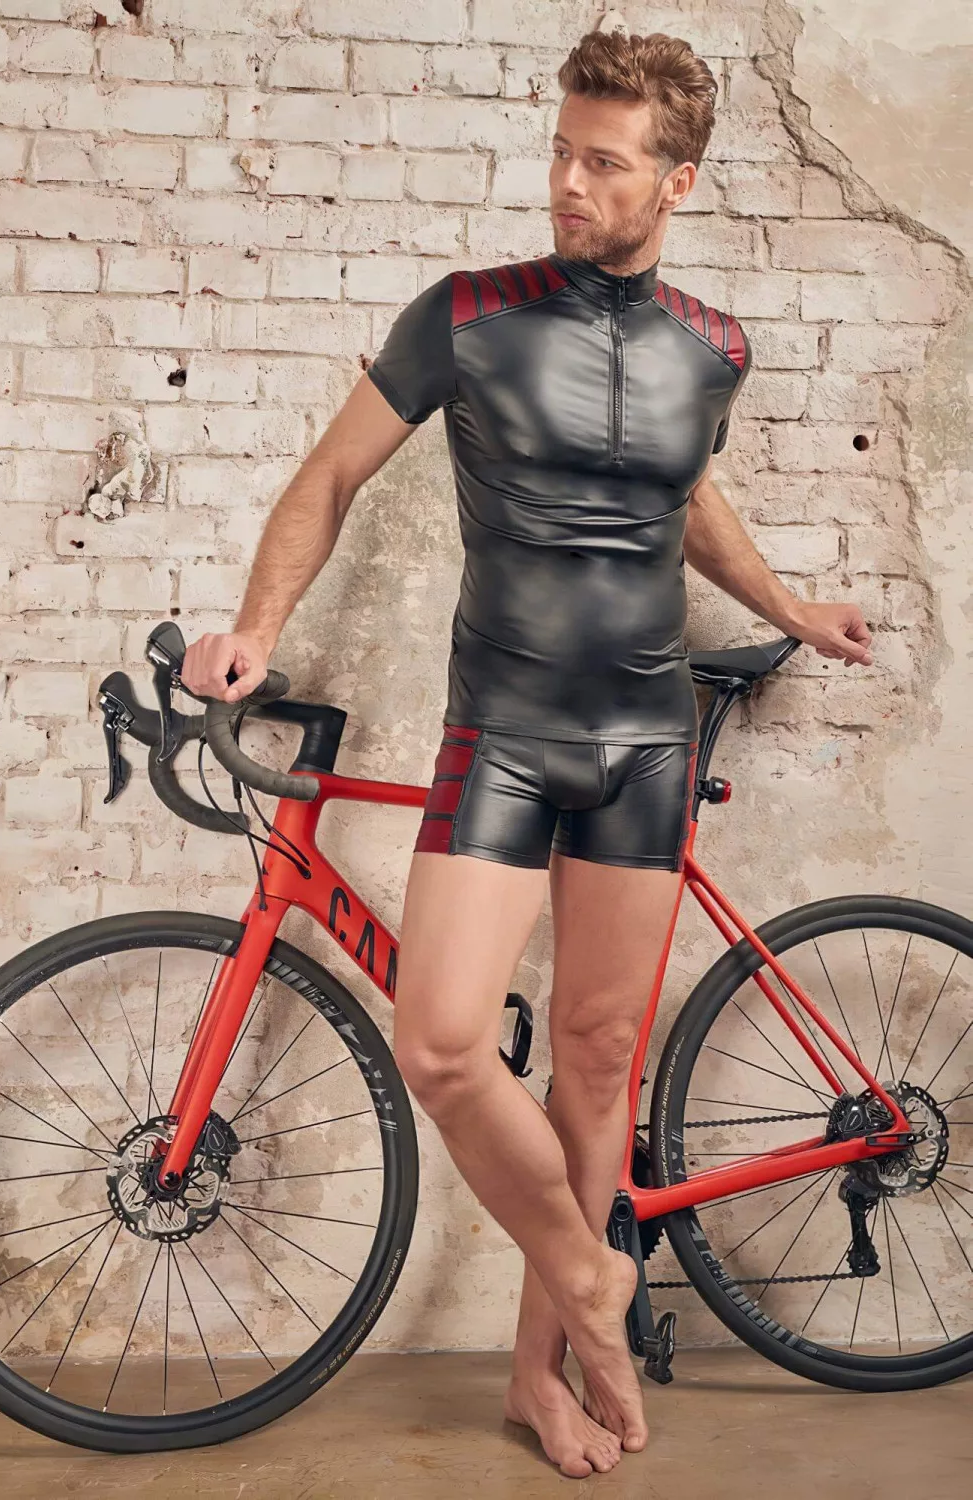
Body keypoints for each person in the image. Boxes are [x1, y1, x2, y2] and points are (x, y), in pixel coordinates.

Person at [182, 27, 873, 1481]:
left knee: (594, 1065)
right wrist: (255, 625)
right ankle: (589, 1274)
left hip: (647, 739)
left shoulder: (714, 349)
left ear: (675, 183)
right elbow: (331, 474)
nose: (566, 182)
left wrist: (788, 607)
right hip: (500, 731)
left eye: (602, 163)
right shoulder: (467, 316)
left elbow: (683, 497)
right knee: (442, 1042)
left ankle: (538, 1381)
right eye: (561, 151)